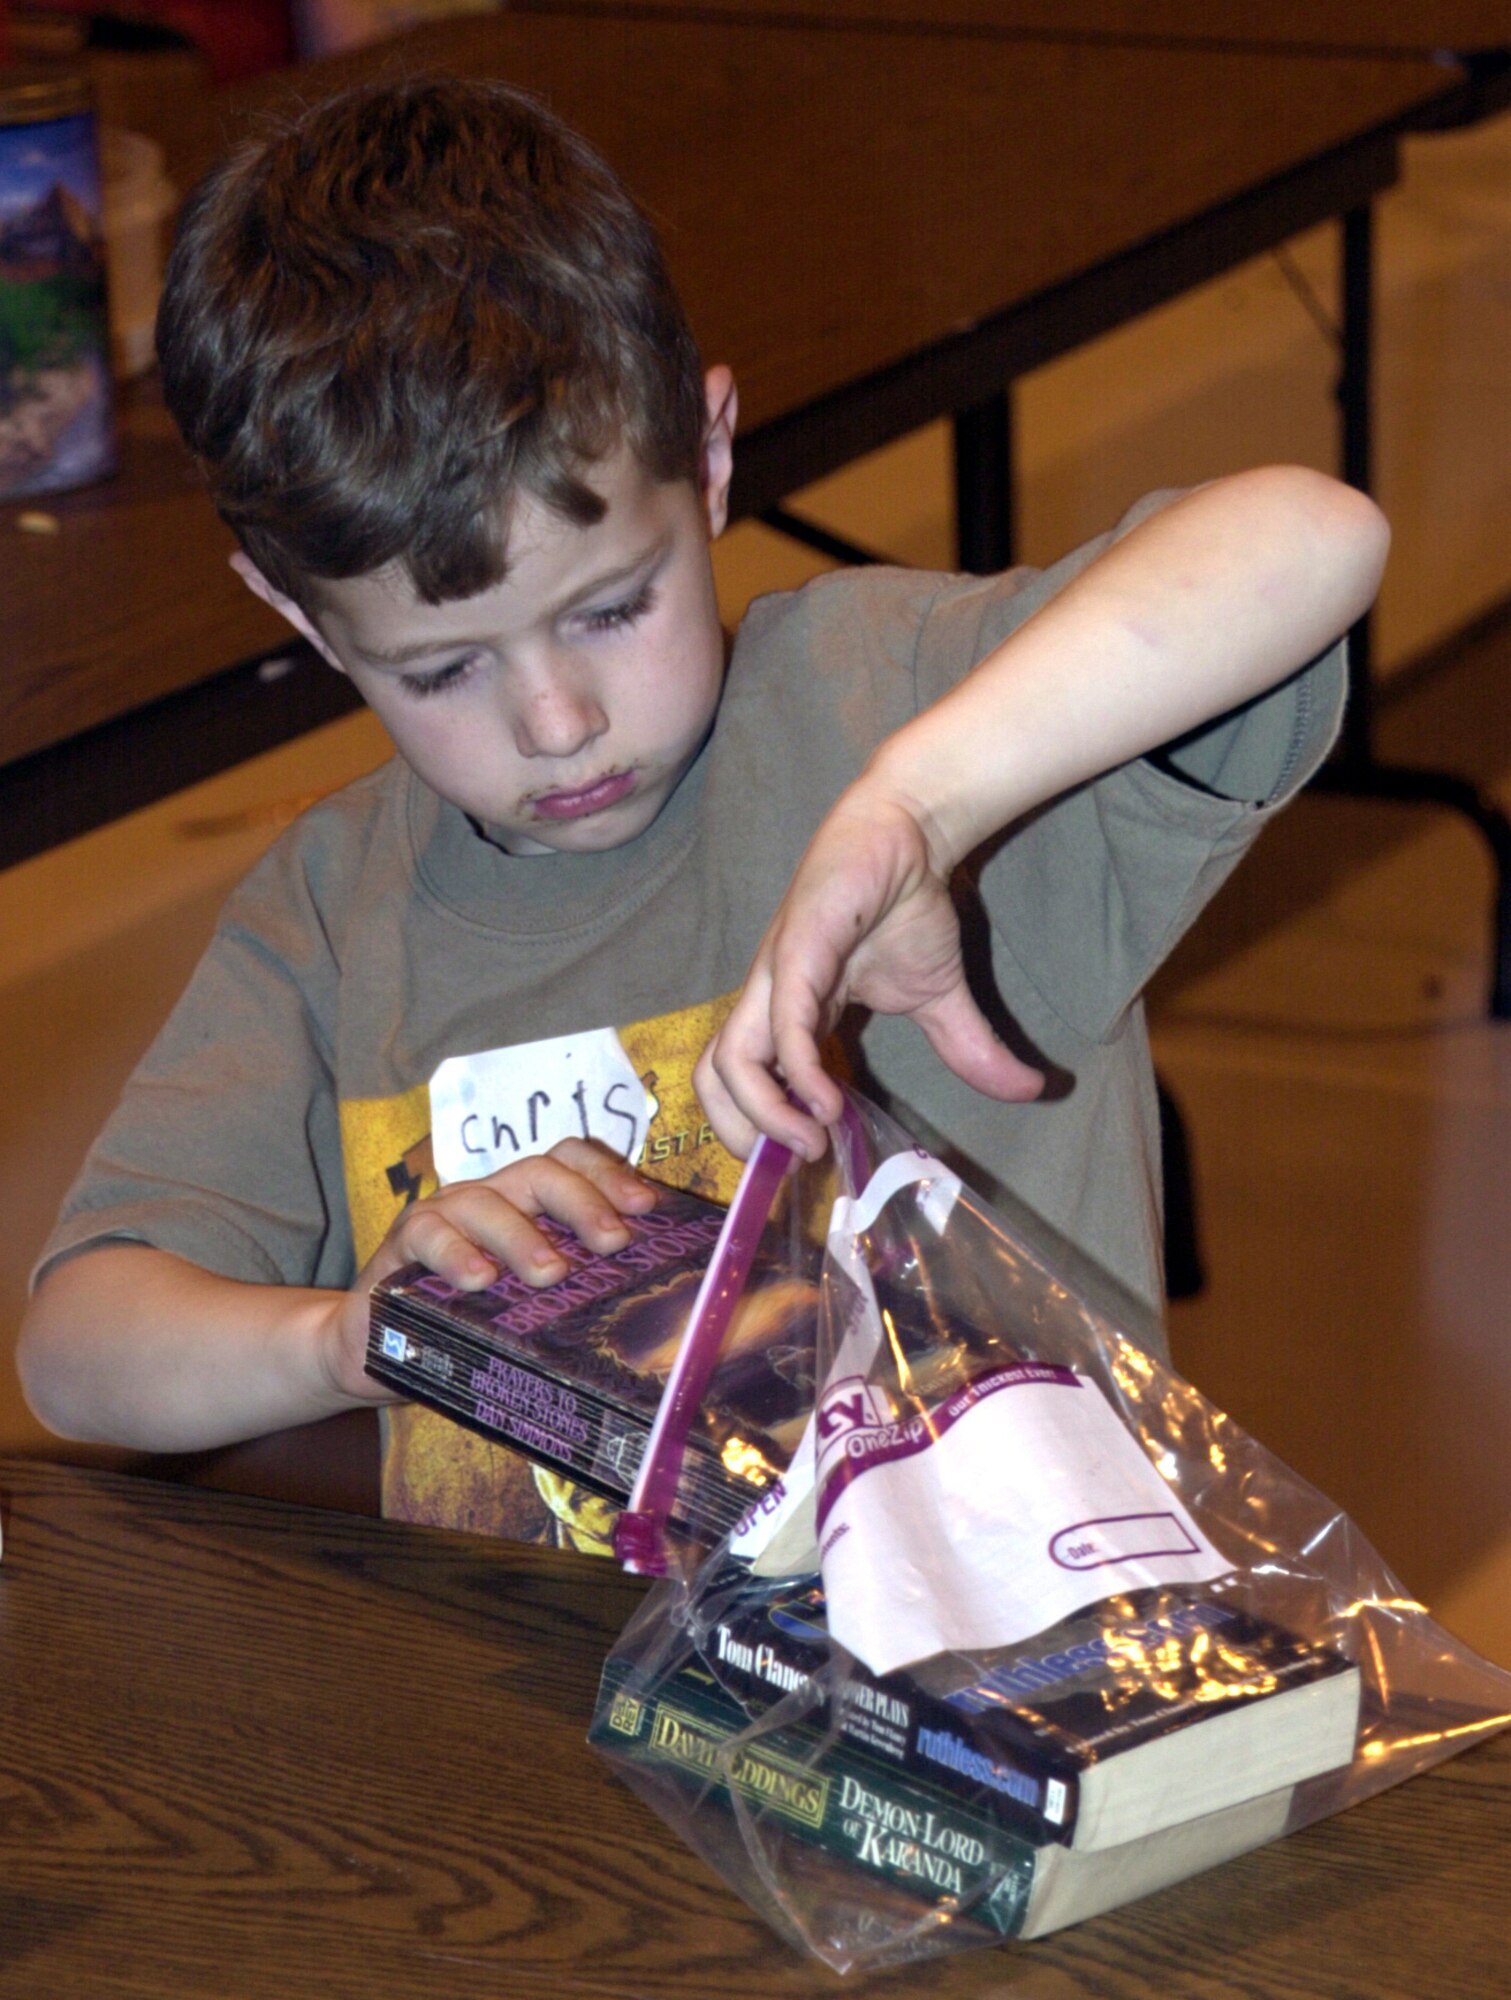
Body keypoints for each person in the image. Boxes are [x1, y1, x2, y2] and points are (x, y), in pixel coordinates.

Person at [18, 76, 1388, 1549]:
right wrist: (347, 1341)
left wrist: (920, 810)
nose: (557, 724)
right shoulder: (330, 914)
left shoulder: (903, 705)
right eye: (443, 669)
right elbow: (76, 1348)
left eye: (613, 608)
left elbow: (1314, 537)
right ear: (297, 612)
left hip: (1023, 1718)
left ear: (713, 452)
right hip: (542, 1750)